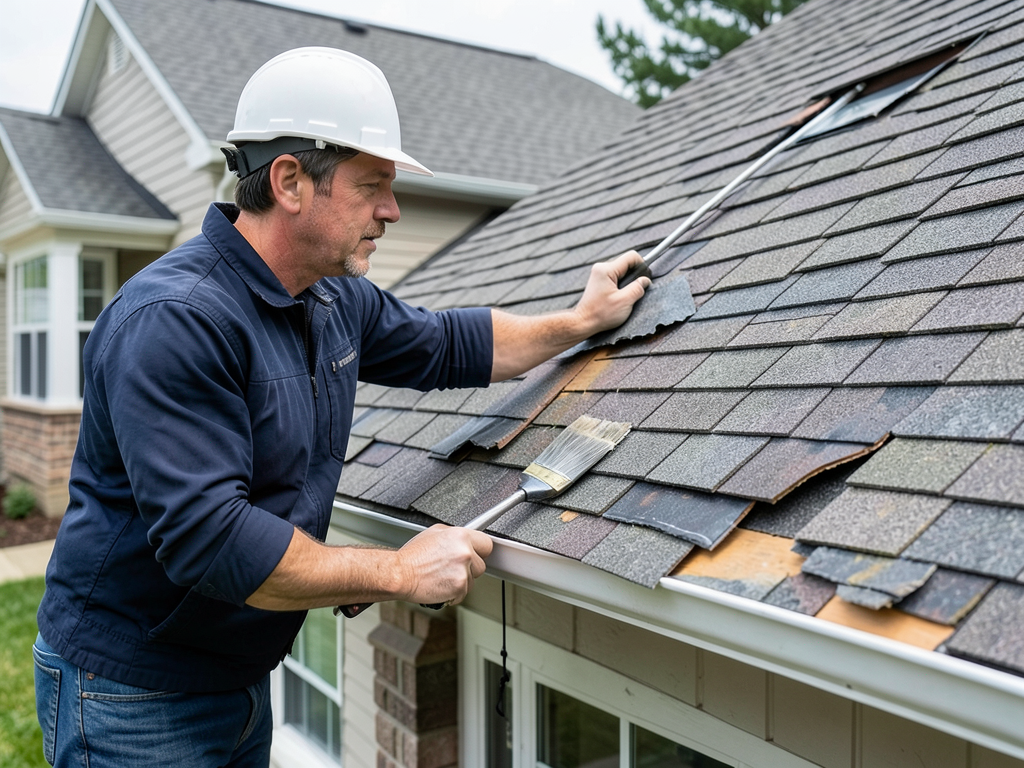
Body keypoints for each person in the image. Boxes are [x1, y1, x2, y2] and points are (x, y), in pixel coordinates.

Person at [33, 47, 649, 767]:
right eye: (372, 185)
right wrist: (396, 570)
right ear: (291, 180)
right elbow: (213, 543)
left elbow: (447, 344)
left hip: (234, 673)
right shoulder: (175, 320)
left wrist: (578, 323)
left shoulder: (330, 295)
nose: (391, 209)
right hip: (131, 691)